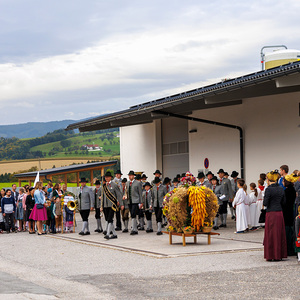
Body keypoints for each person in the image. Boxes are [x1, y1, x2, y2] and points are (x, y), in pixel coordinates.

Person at [263, 170, 287, 261]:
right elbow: (284, 202)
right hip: (279, 212)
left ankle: (271, 255)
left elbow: (265, 203)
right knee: (279, 233)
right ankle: (279, 255)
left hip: (271, 213)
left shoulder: (268, 189)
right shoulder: (281, 189)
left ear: (269, 179)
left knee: (271, 234)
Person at [101, 171, 122, 239]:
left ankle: (107, 233)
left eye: (108, 177)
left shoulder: (114, 185)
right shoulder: (104, 186)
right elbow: (102, 197)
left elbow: (118, 195)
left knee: (110, 218)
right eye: (105, 177)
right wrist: (101, 206)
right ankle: (114, 234)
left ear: (110, 177)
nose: (106, 178)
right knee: (108, 219)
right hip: (105, 205)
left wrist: (120, 203)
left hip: (112, 205)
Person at [282, 174, 298, 256]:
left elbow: (284, 203)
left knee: (288, 232)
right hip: (293, 213)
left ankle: (289, 249)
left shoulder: (286, 191)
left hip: (287, 214)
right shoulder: (294, 190)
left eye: (283, 181)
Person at [125, 170, 142, 235]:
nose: (130, 176)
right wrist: (125, 196)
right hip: (129, 201)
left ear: (133, 176)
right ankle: (134, 228)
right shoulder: (127, 183)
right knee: (132, 214)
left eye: (131, 175)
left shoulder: (137, 183)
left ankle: (134, 229)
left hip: (135, 200)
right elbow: (126, 191)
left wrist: (141, 202)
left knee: (133, 213)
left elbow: (140, 193)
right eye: (129, 175)